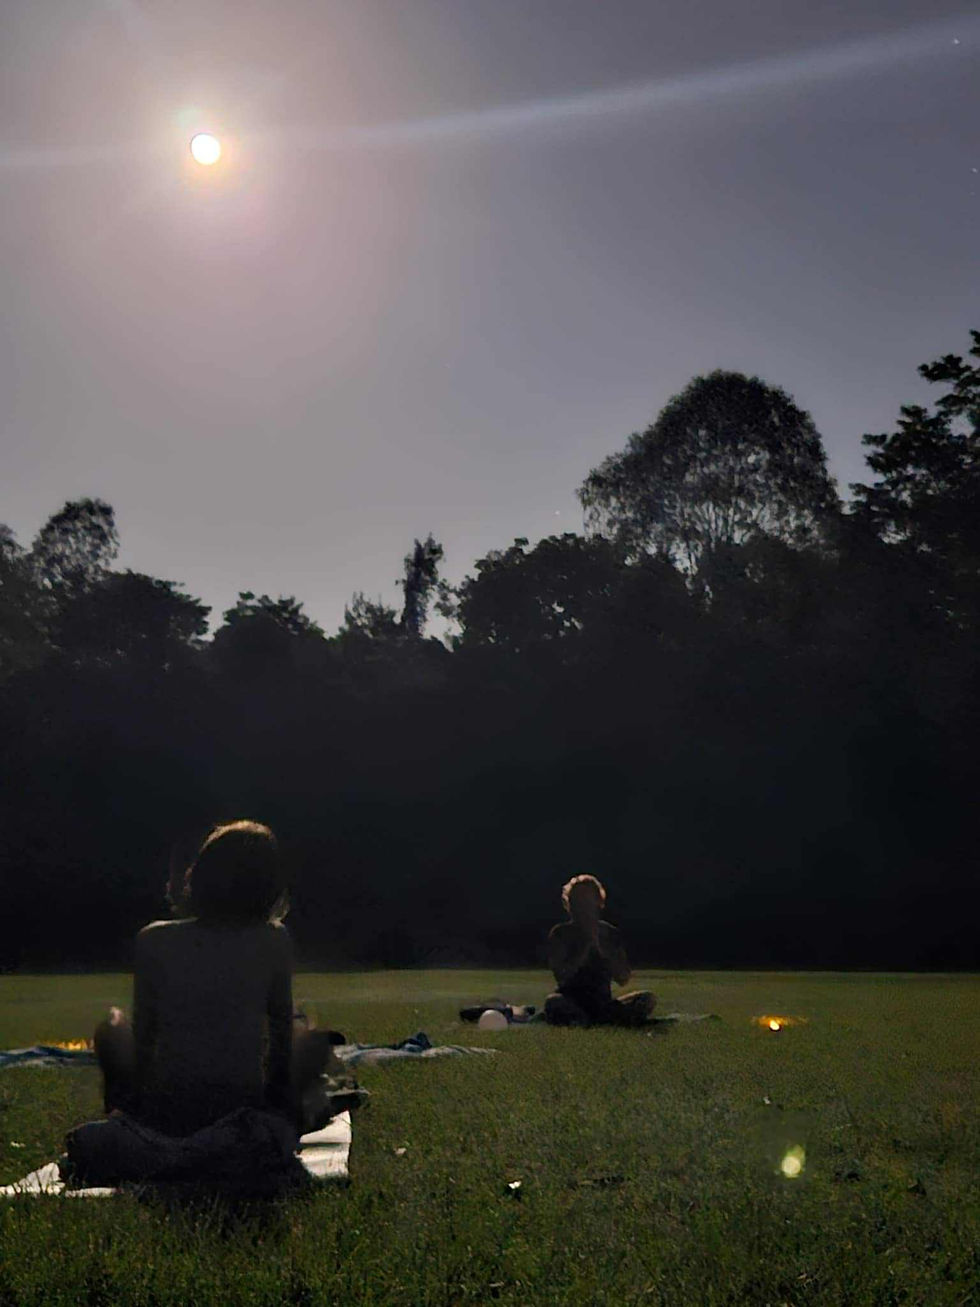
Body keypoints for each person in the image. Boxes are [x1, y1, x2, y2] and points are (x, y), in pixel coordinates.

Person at [81, 821, 343, 1185]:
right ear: (268, 886)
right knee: (311, 1037)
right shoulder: (273, 941)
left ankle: (126, 1122)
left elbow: (144, 1040)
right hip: (239, 1112)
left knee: (112, 1026)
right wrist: (284, 1107)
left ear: (199, 874)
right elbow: (281, 1043)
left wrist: (136, 1109)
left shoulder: (153, 941)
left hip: (165, 1114)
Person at [544, 874, 654, 1027]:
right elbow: (562, 976)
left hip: (602, 1002)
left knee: (646, 998)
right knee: (553, 1002)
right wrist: (585, 947)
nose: (582, 906)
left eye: (587, 900)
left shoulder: (610, 933)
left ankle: (595, 1020)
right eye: (577, 901)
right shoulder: (561, 933)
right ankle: (590, 1020)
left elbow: (623, 978)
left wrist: (605, 951)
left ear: (598, 902)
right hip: (571, 1000)